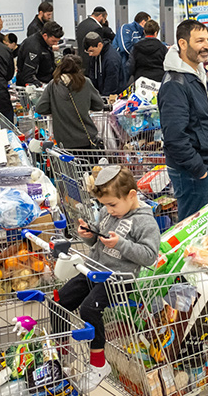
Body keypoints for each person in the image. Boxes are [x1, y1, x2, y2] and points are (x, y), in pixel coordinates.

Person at [59, 166, 160, 392]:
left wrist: (121, 244)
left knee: (89, 309)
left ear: (132, 195)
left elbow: (149, 256)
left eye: (112, 204)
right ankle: (62, 355)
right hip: (93, 270)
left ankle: (98, 364)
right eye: (104, 205)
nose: (108, 210)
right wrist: (89, 234)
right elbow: (97, 240)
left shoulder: (145, 222)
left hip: (118, 280)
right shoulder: (108, 212)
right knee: (60, 300)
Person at [158, 20, 208, 220]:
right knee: (191, 230)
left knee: (197, 227)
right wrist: (199, 169)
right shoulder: (175, 84)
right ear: (183, 44)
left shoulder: (195, 73)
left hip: (203, 165)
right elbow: (175, 136)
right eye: (200, 41)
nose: (206, 46)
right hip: (192, 171)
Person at [35, 55, 105, 150]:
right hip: (86, 138)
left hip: (64, 141)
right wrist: (85, 104)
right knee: (89, 164)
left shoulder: (53, 84)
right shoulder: (85, 82)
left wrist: (56, 107)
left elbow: (40, 108)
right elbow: (99, 105)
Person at [17, 21, 64, 87]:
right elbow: (28, 76)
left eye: (57, 41)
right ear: (45, 36)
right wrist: (42, 86)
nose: (55, 44)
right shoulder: (33, 48)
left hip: (47, 80)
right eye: (53, 41)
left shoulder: (46, 43)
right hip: (34, 87)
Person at [84, 32, 124, 97]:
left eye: (91, 51)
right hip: (100, 94)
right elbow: (92, 77)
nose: (90, 54)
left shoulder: (111, 59)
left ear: (99, 45)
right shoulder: (96, 55)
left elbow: (111, 86)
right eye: (87, 51)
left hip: (112, 96)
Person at [114, 11, 151, 81]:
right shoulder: (126, 28)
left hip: (133, 64)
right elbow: (125, 47)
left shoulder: (143, 32)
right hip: (121, 63)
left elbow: (150, 42)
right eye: (149, 22)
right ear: (143, 22)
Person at [76, 6, 112, 71]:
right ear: (100, 16)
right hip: (92, 64)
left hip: (81, 61)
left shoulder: (81, 24)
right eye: (104, 19)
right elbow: (98, 47)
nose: (104, 22)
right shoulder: (96, 28)